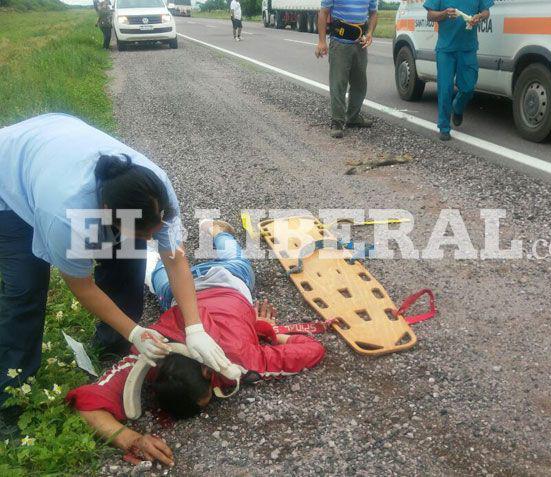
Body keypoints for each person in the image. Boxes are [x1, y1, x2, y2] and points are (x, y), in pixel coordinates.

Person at [0, 114, 231, 433]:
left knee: (128, 259)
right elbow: (83, 287)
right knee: (26, 288)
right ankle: (11, 396)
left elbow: (175, 261)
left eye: (155, 228)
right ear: (110, 215)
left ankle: (110, 346)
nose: (154, 238)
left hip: (59, 139)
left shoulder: (155, 187)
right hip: (10, 178)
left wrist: (195, 328)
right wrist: (136, 331)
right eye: (145, 232)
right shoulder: (64, 218)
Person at [66, 220, 325, 466]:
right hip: (180, 288)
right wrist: (130, 439)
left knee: (235, 258)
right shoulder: (152, 344)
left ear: (206, 370)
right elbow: (88, 403)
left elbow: (312, 348)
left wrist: (268, 331)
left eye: (208, 392)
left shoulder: (235, 358)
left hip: (225, 281)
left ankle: (213, 230)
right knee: (162, 267)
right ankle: (209, 231)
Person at [424, 0, 493, 141]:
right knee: (445, 88)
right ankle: (444, 127)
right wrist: (444, 13)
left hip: (468, 48)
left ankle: (458, 107)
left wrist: (479, 17)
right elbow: (430, 15)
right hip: (446, 49)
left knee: (468, 87)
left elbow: (486, 11)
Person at [315, 0, 378, 138]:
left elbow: (373, 13)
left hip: (360, 43)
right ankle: (337, 121)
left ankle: (353, 118)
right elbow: (323, 12)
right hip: (340, 43)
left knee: (360, 83)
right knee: (338, 83)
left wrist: (370, 33)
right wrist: (321, 41)